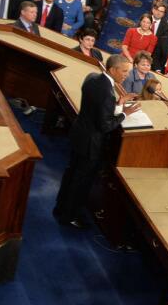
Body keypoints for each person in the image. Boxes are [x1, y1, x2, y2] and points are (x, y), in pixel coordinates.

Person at [54, 55, 137, 229]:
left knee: (71, 174)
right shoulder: (107, 92)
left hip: (79, 135)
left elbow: (95, 108)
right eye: (124, 71)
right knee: (81, 181)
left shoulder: (92, 78)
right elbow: (105, 125)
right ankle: (69, 216)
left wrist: (119, 102)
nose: (126, 75)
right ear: (113, 69)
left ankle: (60, 208)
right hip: (91, 144)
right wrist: (124, 114)